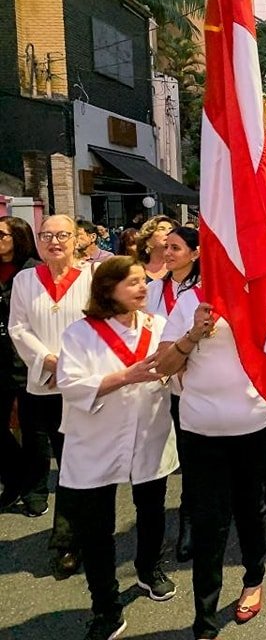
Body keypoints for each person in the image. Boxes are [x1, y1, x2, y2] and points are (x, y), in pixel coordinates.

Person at [57, 257, 178, 640]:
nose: (143, 288)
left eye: (143, 280)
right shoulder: (80, 334)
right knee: (97, 530)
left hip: (149, 433)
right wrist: (126, 376)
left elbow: (176, 374)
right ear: (108, 289)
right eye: (132, 282)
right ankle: (106, 608)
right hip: (97, 440)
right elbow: (70, 385)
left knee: (152, 509)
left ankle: (148, 569)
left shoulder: (159, 326)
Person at [156, 283, 266, 637]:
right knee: (209, 521)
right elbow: (163, 365)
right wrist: (193, 335)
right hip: (201, 429)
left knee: (249, 507)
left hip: (254, 425)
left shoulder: (263, 292)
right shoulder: (189, 301)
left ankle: (253, 579)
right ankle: (205, 620)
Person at [9, 215, 91, 577]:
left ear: (76, 239)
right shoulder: (25, 280)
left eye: (62, 235)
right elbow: (18, 327)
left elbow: (101, 324)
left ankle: (70, 540)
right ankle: (70, 538)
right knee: (53, 457)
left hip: (82, 384)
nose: (54, 242)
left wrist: (70, 365)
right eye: (46, 235)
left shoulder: (92, 278)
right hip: (42, 384)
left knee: (76, 464)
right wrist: (48, 360)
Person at [145, 226, 200, 562]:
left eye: (176, 248)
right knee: (158, 454)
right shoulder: (152, 290)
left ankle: (188, 521)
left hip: (188, 386)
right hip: (155, 383)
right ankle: (151, 527)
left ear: (195, 253)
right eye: (166, 247)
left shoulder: (202, 290)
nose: (167, 253)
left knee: (190, 458)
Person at [0, 216, 40, 511]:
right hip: (0, 359)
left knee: (34, 430)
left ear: (18, 238)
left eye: (2, 234)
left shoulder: (33, 272)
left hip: (26, 359)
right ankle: (15, 476)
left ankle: (35, 489)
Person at [136, 216, 177, 282]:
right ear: (148, 239)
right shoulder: (135, 268)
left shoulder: (180, 266)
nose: (168, 232)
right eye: (162, 229)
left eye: (170, 229)